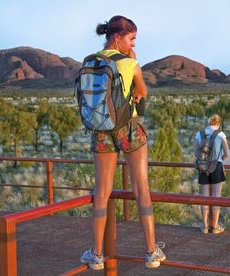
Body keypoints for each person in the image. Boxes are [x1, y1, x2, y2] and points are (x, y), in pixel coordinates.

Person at [80, 15, 165, 270]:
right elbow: (143, 92)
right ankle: (151, 251)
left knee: (102, 192)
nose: (133, 45)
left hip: (101, 130)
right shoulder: (128, 62)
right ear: (118, 38)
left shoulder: (90, 61)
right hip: (129, 128)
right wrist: (133, 64)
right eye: (131, 39)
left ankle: (96, 253)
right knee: (141, 189)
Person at [194, 114, 229, 234]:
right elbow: (226, 153)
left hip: (203, 167)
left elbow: (195, 152)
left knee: (204, 197)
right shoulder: (220, 134)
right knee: (216, 197)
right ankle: (214, 227)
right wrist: (220, 159)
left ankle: (204, 226)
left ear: (209, 122)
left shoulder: (199, 133)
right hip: (217, 166)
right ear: (218, 123)